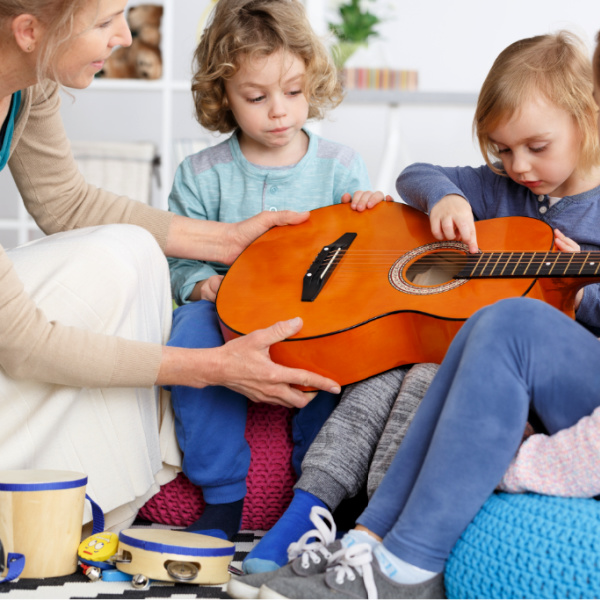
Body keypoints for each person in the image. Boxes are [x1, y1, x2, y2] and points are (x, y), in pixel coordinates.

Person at [226, 29, 600, 600]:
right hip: (480, 349)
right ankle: (351, 532)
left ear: (586, 115)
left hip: (536, 382)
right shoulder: (502, 187)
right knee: (414, 361)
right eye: (502, 149)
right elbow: (418, 175)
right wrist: (445, 199)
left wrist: (585, 294)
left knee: (434, 366)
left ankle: (393, 556)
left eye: (536, 147)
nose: (517, 165)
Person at [0, 0, 343, 533]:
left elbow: (64, 203)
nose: (126, 38)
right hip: (17, 338)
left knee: (133, 248)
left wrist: (229, 240)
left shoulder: (29, 82)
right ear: (28, 31)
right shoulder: (203, 172)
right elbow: (21, 342)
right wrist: (215, 368)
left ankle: (98, 503)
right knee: (153, 285)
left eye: (125, 13)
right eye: (104, 22)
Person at [165, 0, 387, 541]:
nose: (279, 112)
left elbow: (364, 260)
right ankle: (223, 495)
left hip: (318, 320)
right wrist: (202, 285)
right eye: (256, 97)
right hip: (227, 315)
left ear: (313, 80)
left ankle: (322, 488)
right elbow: (178, 258)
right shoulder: (201, 173)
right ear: (223, 95)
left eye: (293, 91)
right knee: (187, 336)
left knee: (357, 355)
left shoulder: (340, 164)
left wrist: (369, 212)